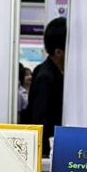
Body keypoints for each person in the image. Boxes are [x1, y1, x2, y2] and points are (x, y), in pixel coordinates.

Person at [26, 17, 66, 155]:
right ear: (58, 52)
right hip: (47, 152)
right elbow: (41, 120)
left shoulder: (48, 71)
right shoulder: (46, 77)